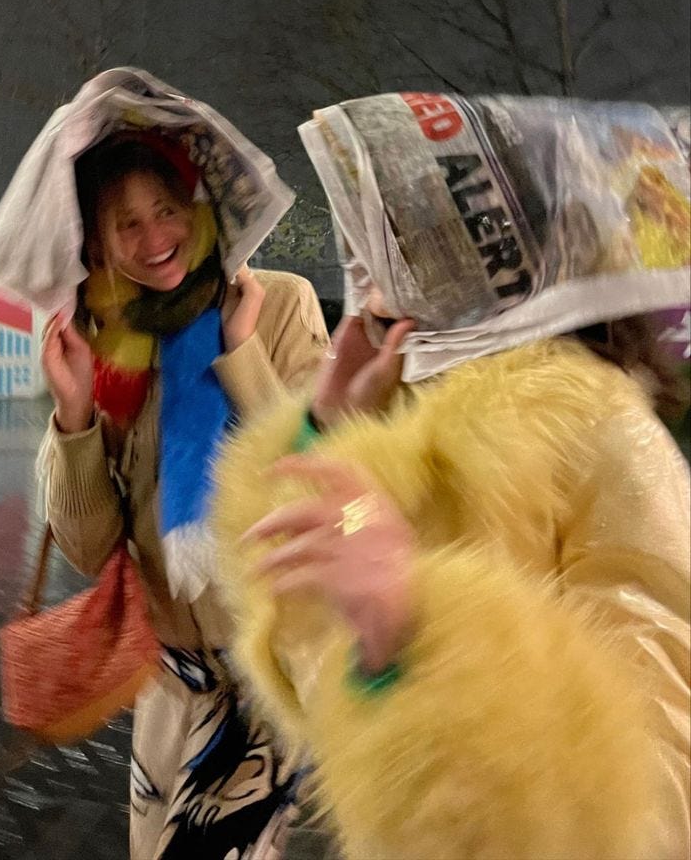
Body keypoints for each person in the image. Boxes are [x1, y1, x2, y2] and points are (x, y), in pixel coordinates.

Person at [209, 94, 691, 859]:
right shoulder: (411, 418)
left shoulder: (612, 442)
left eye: (407, 242)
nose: (372, 282)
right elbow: (314, 680)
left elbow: (654, 806)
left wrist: (423, 627)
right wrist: (329, 432)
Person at [38, 129, 331, 858]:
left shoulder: (280, 305)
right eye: (126, 223)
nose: (153, 237)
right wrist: (74, 416)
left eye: (166, 209)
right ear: (100, 244)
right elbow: (88, 548)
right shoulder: (109, 349)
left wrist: (242, 351)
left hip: (271, 678)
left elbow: (326, 482)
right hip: (168, 686)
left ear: (197, 210)